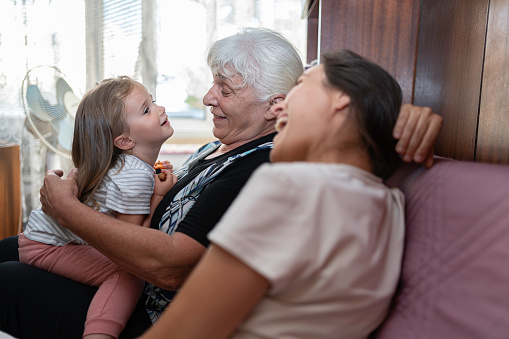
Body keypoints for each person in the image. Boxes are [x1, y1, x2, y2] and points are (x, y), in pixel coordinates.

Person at [0, 28, 442, 338]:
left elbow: (176, 278)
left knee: (11, 276)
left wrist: (67, 210)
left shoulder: (285, 183)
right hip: (135, 280)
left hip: (146, 304)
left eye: (225, 89)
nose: (209, 97)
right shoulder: (351, 190)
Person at [140, 49, 406, 339]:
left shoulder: (291, 186)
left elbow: (181, 331)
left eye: (302, 86)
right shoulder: (390, 203)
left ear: (341, 99)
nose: (278, 109)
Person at [18, 76, 176, 339]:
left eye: (154, 102)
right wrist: (158, 194)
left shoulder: (128, 166)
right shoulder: (134, 176)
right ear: (125, 141)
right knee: (129, 274)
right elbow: (130, 245)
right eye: (147, 109)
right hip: (48, 247)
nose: (160, 109)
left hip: (40, 238)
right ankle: (99, 334)